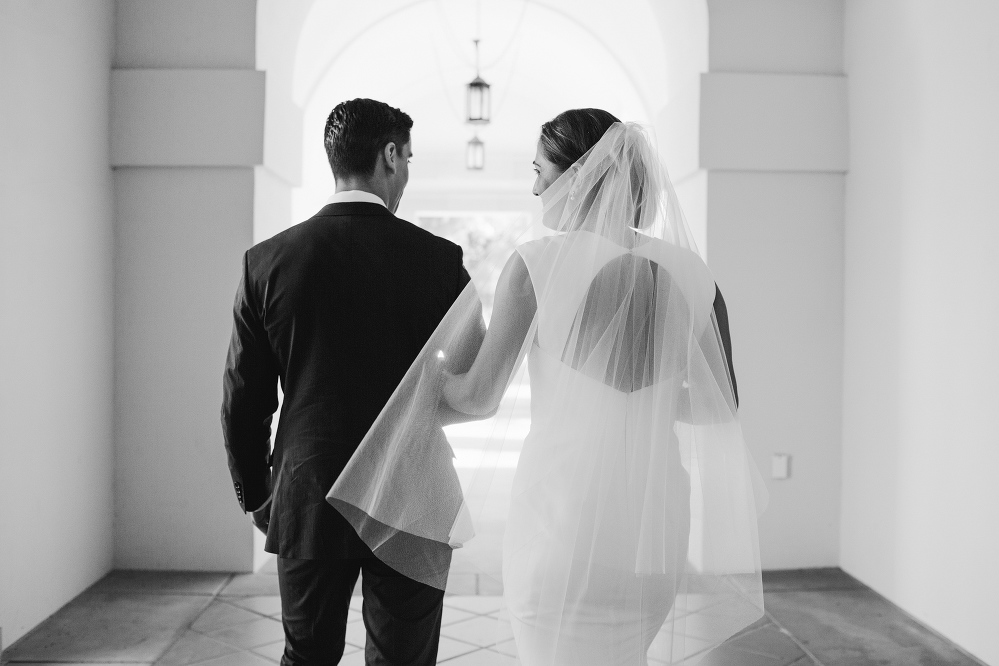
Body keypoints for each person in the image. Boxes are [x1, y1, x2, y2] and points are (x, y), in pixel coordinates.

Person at [329, 109, 766, 664]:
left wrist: (434, 374)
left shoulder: (536, 265)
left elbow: (479, 398)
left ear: (578, 176)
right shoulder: (693, 273)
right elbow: (719, 405)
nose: (535, 189)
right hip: (652, 533)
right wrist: (648, 402)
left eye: (540, 172)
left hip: (562, 525)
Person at [222, 98, 472, 666]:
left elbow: (244, 399)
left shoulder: (266, 262)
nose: (406, 174)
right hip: (412, 490)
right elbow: (466, 380)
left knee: (306, 655)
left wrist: (259, 491)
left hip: (307, 491)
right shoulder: (439, 260)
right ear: (388, 155)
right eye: (406, 158)